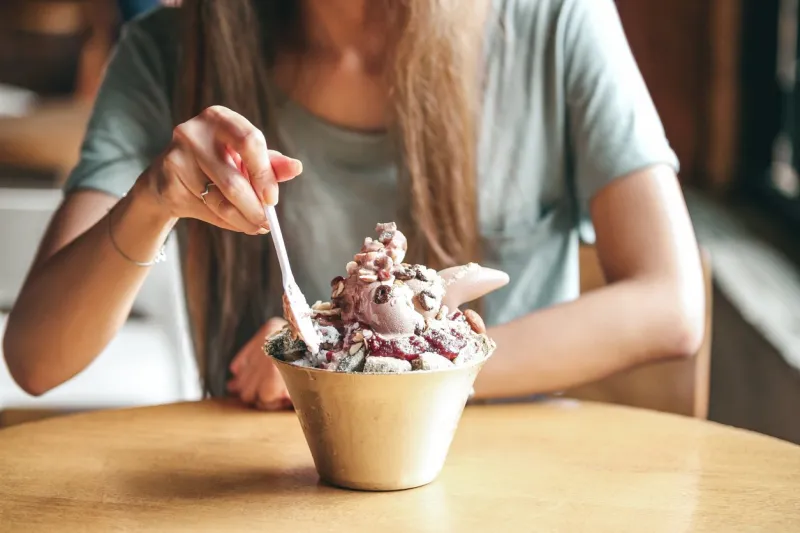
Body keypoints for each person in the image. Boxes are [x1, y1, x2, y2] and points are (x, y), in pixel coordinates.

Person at [3, 0, 705, 411]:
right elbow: (36, 358)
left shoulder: (555, 22)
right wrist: (152, 201)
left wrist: (356, 365)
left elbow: (671, 304)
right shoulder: (167, 53)